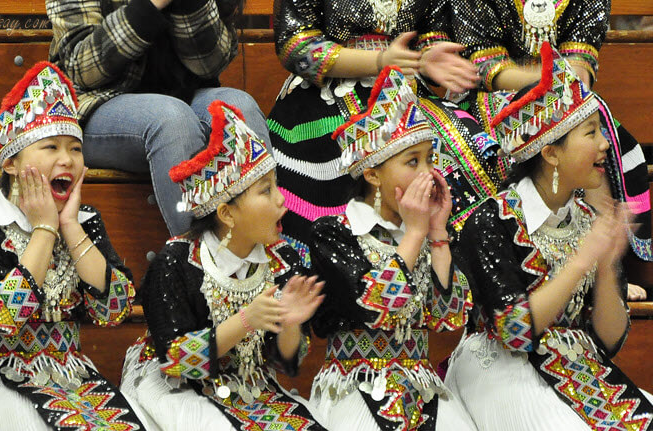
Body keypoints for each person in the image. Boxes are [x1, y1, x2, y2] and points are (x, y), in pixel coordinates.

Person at [444, 43, 653, 430]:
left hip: (579, 366)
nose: (606, 145)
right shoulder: (491, 220)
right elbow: (515, 332)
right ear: (551, 153)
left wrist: (606, 267)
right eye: (591, 133)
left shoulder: (588, 219)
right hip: (502, 368)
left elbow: (610, 340)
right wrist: (581, 262)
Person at [0, 62, 145, 430]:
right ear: (10, 162)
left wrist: (69, 225)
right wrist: (45, 229)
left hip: (73, 380)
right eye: (50, 146)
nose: (66, 159)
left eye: (75, 148)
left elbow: (113, 309)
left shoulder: (85, 222)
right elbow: (8, 318)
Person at [119, 100, 328, 430]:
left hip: (247, 386)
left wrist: (289, 323)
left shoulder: (283, 259)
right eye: (265, 191)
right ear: (227, 214)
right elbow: (175, 361)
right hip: (175, 386)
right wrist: (246, 320)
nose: (281, 200)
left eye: (276, 186)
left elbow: (286, 361)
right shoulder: (176, 262)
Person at [309, 66, 474, 431]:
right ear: (372, 174)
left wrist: (438, 233)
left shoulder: (428, 232)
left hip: (422, 384)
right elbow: (376, 309)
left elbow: (448, 318)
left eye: (430, 159)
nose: (428, 173)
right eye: (412, 161)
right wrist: (415, 235)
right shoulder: (335, 233)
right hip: (354, 383)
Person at [267, 0, 480, 265]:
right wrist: (379, 61)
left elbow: (430, 30)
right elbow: (295, 43)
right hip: (323, 93)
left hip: (406, 85)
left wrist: (425, 57)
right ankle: (351, 271)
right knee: (343, 156)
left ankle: (449, 265)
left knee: (466, 141)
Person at [447, 0, 652, 276]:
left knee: (592, 132)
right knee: (494, 143)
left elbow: (581, 62)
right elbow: (486, 67)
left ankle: (602, 266)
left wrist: (565, 87)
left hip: (567, 91)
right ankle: (515, 260)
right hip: (496, 94)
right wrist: (549, 81)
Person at [47, 0, 269, 236]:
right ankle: (195, 266)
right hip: (97, 105)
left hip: (186, 94)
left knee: (238, 108)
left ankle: (265, 260)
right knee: (172, 119)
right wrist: (151, 5)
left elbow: (210, 63)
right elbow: (81, 69)